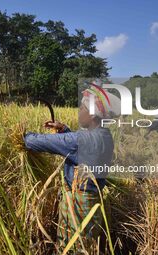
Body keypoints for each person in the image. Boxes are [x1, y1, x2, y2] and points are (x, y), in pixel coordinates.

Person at [23, 84, 121, 253]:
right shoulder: (105, 135)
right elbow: (77, 147)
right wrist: (64, 130)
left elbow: (35, 142)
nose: (79, 111)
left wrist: (24, 136)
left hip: (78, 204)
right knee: (86, 247)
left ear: (92, 114)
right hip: (92, 202)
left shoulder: (81, 140)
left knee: (72, 247)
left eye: (82, 107)